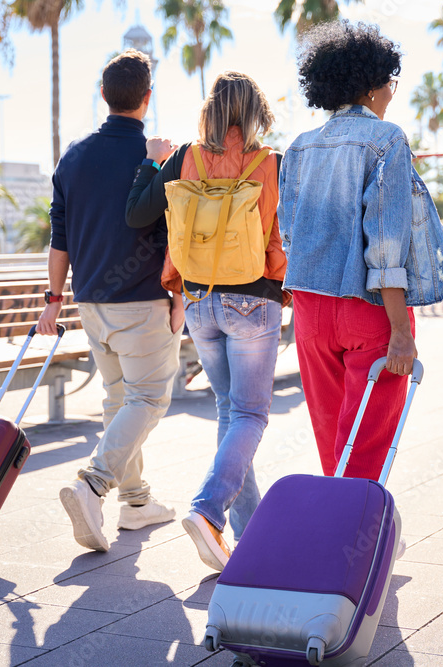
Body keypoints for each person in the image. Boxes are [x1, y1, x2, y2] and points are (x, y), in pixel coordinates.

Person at [279, 21, 443, 483]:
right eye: (390, 81)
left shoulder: (299, 148)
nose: (392, 92)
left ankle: (340, 528)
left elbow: (289, 234)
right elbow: (386, 245)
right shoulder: (386, 140)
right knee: (365, 446)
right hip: (366, 308)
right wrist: (402, 331)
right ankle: (355, 538)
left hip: (309, 306)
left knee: (332, 441)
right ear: (371, 85)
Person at [125, 71, 285, 572]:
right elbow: (282, 231)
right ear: (255, 112)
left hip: (199, 300)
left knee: (229, 411)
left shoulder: (185, 158)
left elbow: (138, 214)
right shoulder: (269, 161)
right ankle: (208, 510)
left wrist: (151, 160)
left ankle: (249, 535)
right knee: (251, 416)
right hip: (253, 301)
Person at [39, 49, 182, 553]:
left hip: (90, 303)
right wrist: (180, 295)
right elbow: (176, 234)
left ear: (103, 95)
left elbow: (60, 239)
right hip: (143, 301)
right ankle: (94, 483)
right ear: (147, 97)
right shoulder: (160, 156)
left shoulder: (73, 157)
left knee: (120, 399)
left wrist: (53, 300)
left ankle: (137, 501)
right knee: (148, 399)